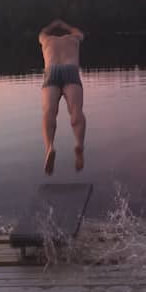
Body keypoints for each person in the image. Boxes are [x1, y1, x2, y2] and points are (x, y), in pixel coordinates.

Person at [38, 19, 86, 175]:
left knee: (49, 111)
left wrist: (54, 24)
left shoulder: (46, 39)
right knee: (76, 111)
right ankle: (79, 144)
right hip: (71, 69)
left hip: (51, 70)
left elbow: (43, 31)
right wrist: (65, 25)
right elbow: (79, 32)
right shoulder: (73, 38)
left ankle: (49, 147)